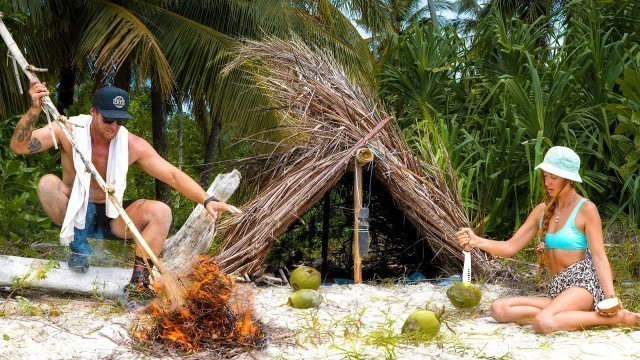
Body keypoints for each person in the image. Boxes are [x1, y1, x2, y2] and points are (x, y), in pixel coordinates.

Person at [10, 82, 242, 297]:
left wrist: (207, 199)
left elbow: (172, 174)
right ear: (93, 112)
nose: (114, 127)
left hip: (112, 216)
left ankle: (139, 283)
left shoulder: (132, 144)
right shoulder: (67, 130)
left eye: (119, 121)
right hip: (73, 212)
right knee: (47, 184)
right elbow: (18, 146)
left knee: (161, 211)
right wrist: (34, 110)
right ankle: (78, 246)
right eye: (108, 119)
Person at [456, 146, 640, 333]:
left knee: (543, 323)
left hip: (582, 285)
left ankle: (619, 317)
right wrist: (476, 240)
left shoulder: (586, 209)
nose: (548, 182)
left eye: (554, 177)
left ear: (569, 179)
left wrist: (611, 299)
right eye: (545, 176)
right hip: (557, 288)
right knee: (498, 309)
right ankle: (563, 315)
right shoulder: (542, 211)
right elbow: (510, 247)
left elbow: (600, 258)